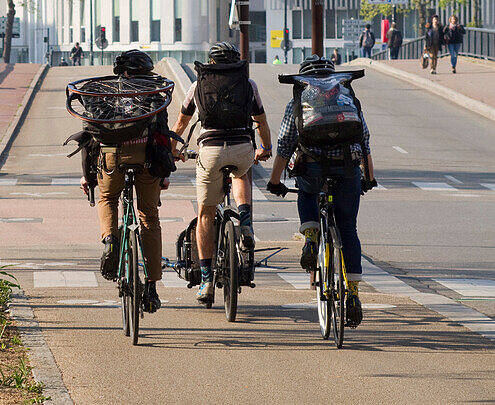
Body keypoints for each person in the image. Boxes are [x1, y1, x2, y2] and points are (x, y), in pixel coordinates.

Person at [266, 55, 376, 329]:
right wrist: (369, 177)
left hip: (313, 167)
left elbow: (285, 144)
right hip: (347, 169)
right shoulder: (346, 99)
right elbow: (364, 140)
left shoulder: (298, 103)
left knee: (306, 190)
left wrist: (275, 181)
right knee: (348, 229)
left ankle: (312, 238)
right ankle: (352, 295)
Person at [172, 42, 273, 305]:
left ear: (211, 62)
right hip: (241, 146)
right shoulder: (248, 85)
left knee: (205, 214)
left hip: (210, 150)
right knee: (242, 173)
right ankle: (246, 223)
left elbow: (181, 123)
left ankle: (206, 280)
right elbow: (261, 121)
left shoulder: (198, 86)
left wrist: (172, 150)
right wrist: (266, 148)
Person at [79, 49, 170, 313]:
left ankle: (110, 240)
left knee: (108, 198)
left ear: (122, 72)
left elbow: (91, 135)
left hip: (111, 156)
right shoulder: (154, 93)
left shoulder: (103, 92)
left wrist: (87, 176)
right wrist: (164, 173)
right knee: (149, 217)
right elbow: (162, 135)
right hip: (147, 159)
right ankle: (151, 288)